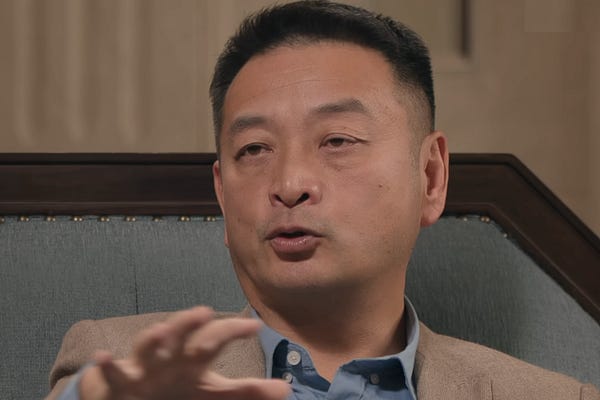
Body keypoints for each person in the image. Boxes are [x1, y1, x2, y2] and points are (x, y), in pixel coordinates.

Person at [47, 1, 599, 399]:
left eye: (337, 141)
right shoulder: (119, 368)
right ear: (221, 194)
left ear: (431, 176)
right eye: (254, 149)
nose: (289, 184)